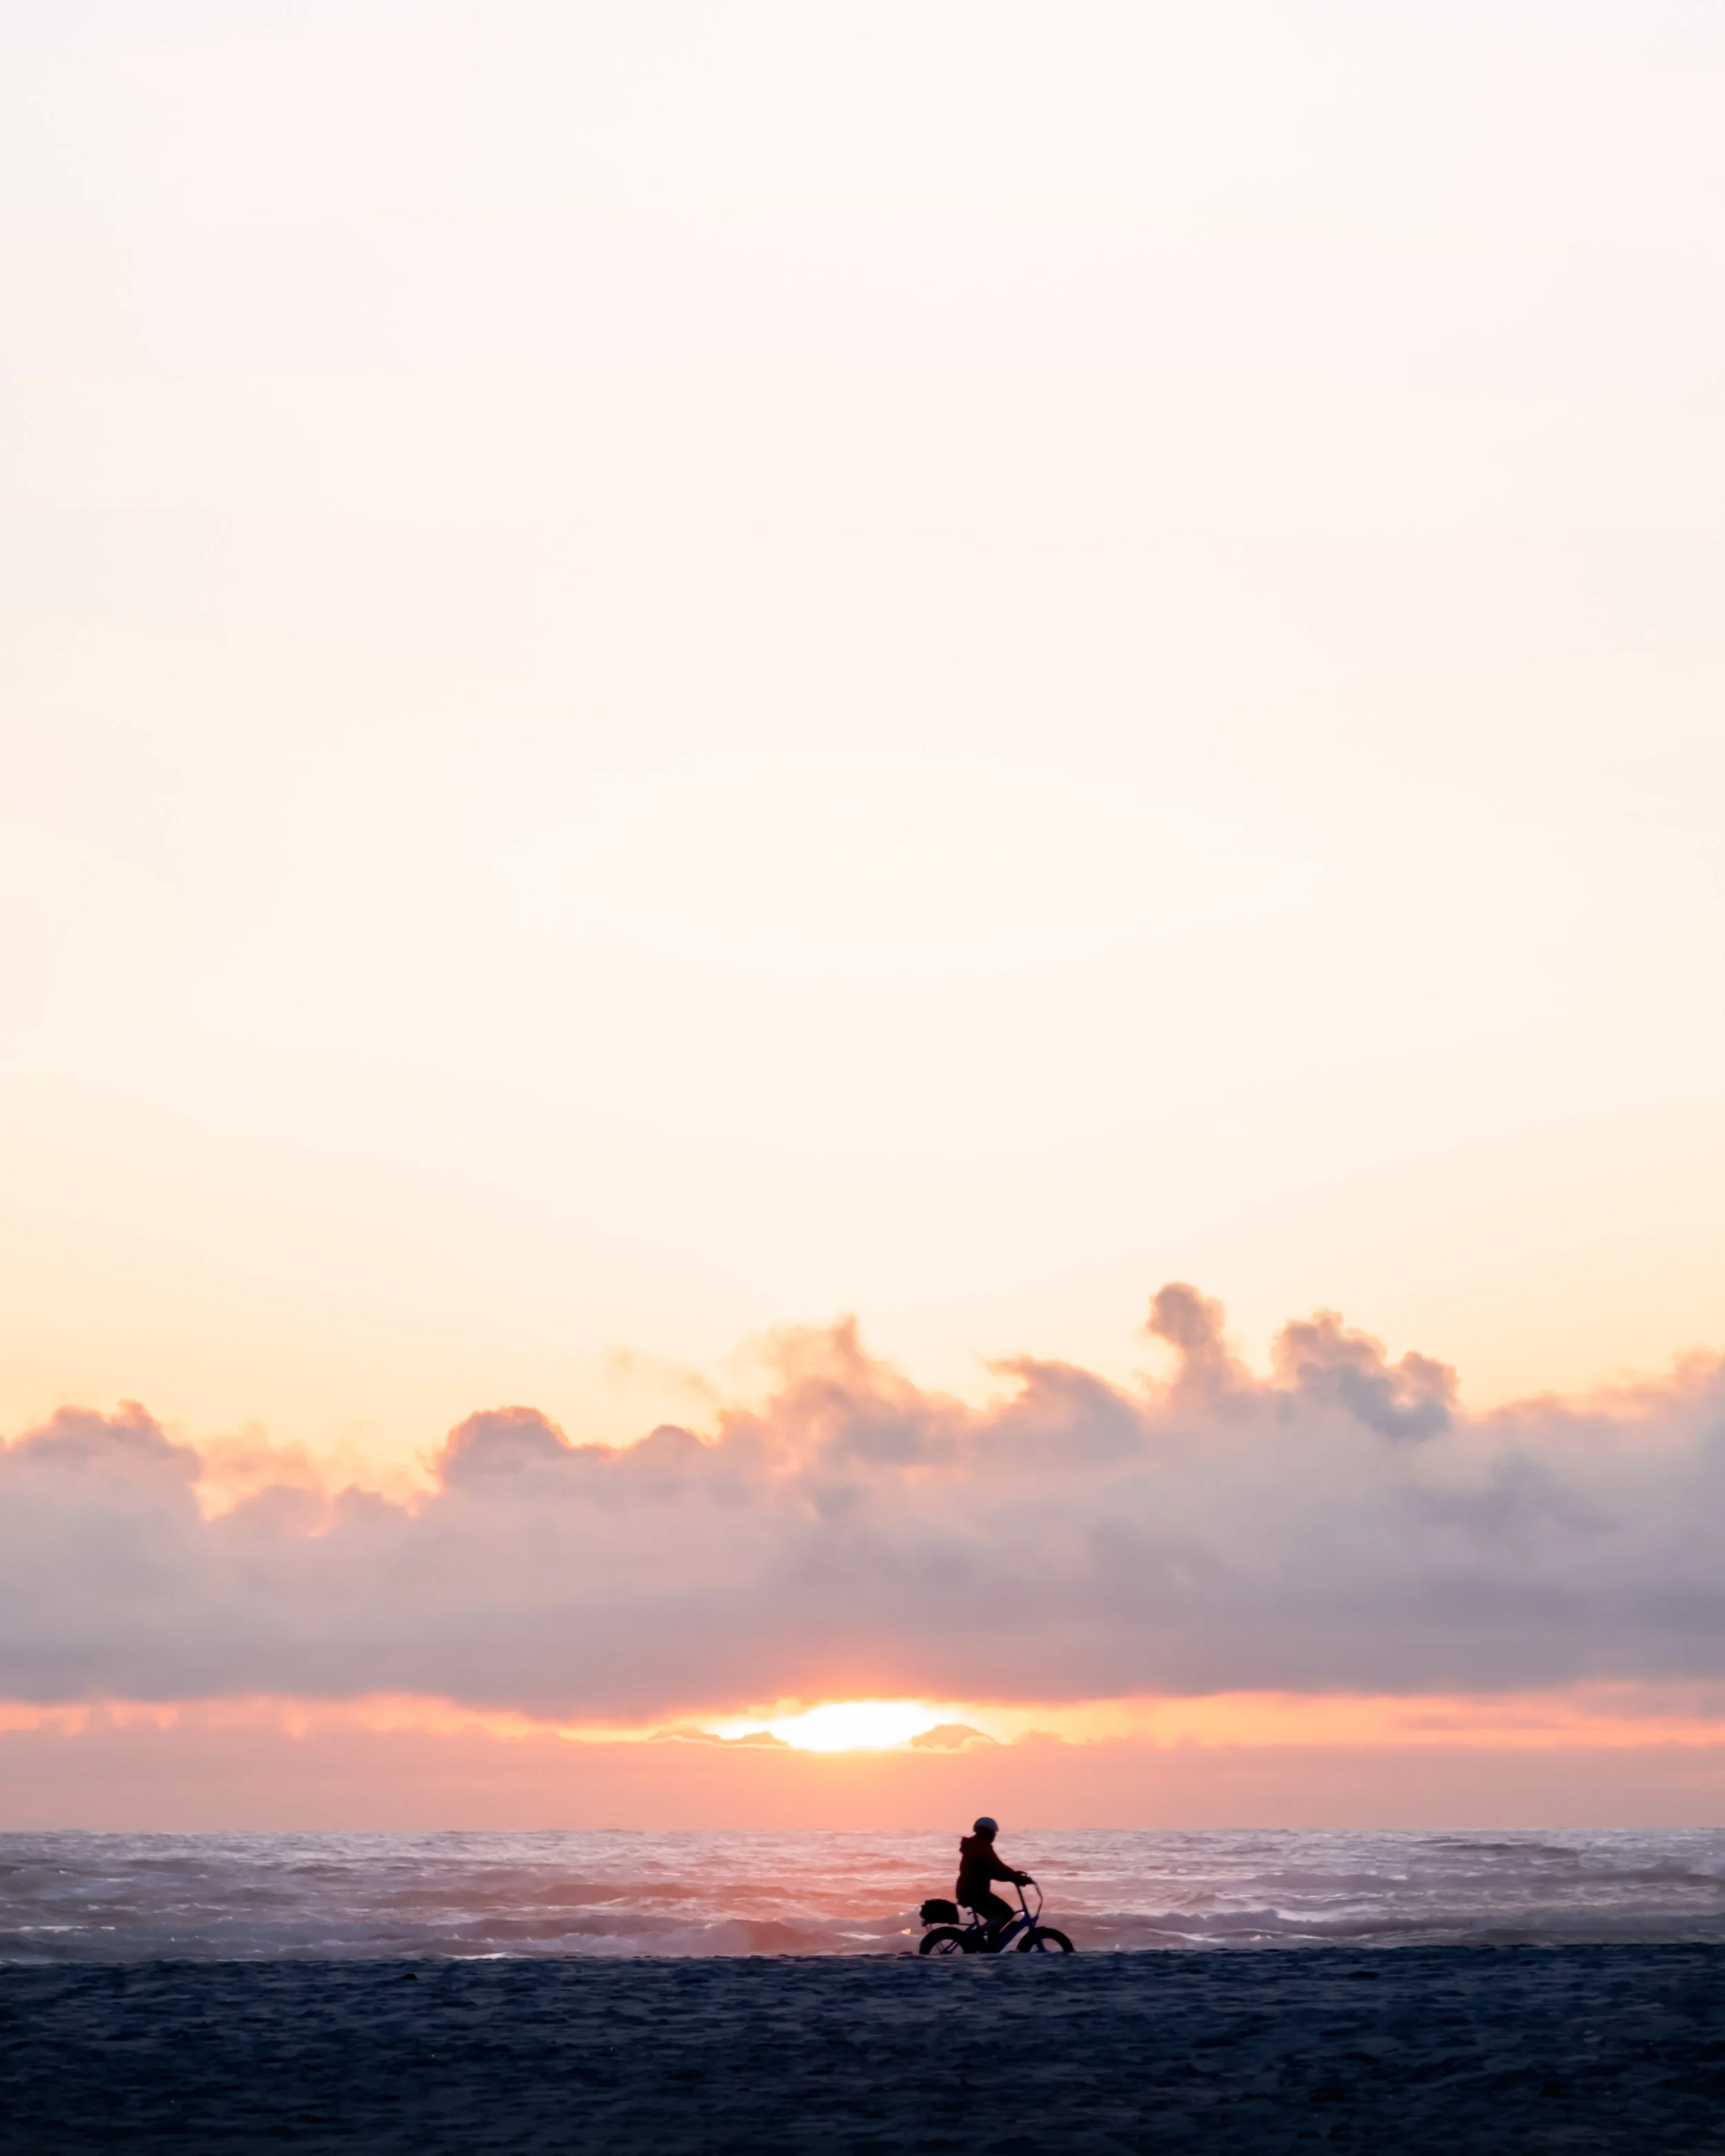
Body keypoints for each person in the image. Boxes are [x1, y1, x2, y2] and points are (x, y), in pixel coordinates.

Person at [954, 1816, 1031, 1950]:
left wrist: (1014, 1877)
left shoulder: (975, 1845)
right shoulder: (981, 1847)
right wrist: (1017, 1878)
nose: (995, 1835)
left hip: (970, 1891)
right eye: (994, 1833)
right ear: (988, 1832)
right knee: (1006, 1913)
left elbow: (994, 1871)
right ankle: (978, 1934)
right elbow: (998, 1867)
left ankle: (991, 1947)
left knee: (996, 1918)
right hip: (974, 1892)